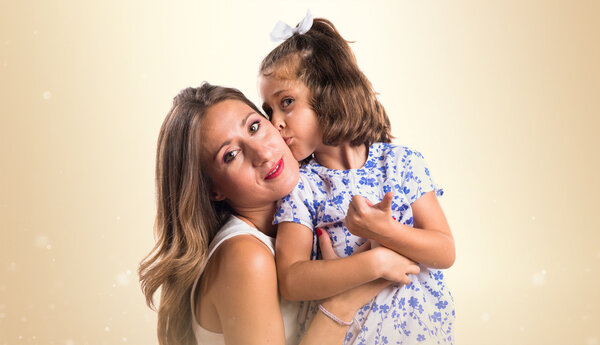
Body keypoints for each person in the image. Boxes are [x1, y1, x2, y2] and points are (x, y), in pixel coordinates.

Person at [138, 83, 420, 345]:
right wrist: (353, 291)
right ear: (213, 190)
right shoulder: (246, 257)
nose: (261, 152)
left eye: (254, 127)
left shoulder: (305, 223)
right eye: (231, 155)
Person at [259, 13, 456, 344]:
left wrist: (385, 231)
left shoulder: (402, 163)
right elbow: (292, 280)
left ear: (329, 93)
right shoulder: (302, 186)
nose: (275, 123)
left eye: (286, 103)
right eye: (269, 111)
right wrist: (372, 264)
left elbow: (444, 251)